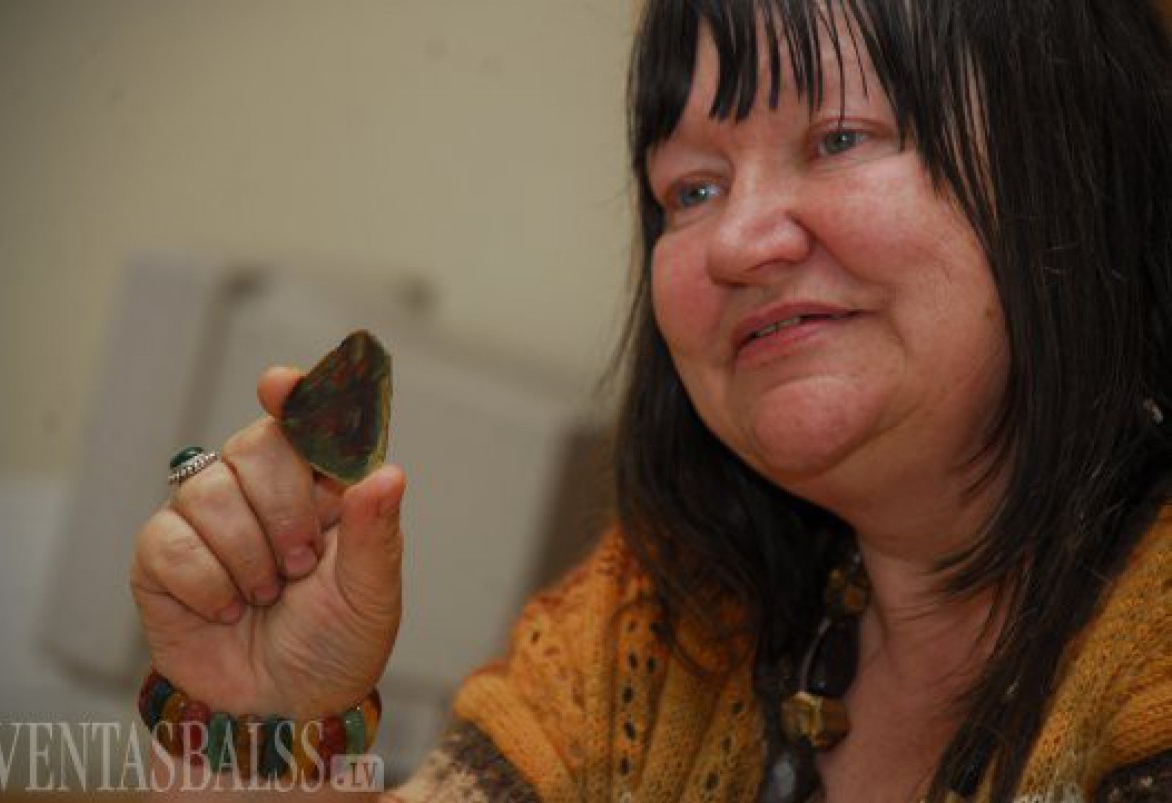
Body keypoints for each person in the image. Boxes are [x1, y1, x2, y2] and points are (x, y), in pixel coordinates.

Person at [130, 0, 1172, 800]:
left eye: (840, 139)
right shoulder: (655, 623)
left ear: (1076, 167)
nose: (735, 241)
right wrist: (264, 727)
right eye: (692, 189)